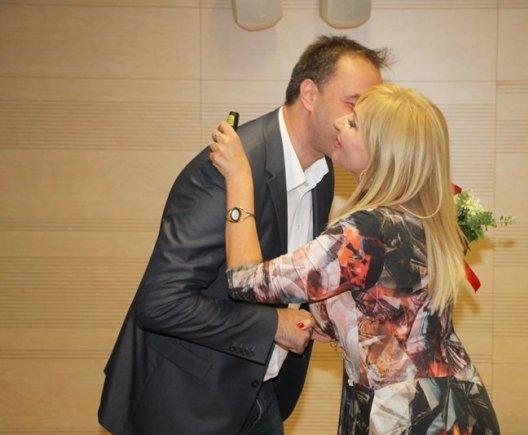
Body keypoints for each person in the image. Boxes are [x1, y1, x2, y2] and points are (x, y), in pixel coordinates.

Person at [98, 35, 389, 435]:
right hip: (186, 404)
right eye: (354, 104)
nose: (363, 122)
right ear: (309, 94)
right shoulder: (226, 169)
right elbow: (161, 302)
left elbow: (286, 280)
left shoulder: (323, 174)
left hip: (260, 396)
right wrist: (274, 326)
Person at [209, 83, 501, 434]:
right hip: (457, 407)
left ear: (383, 151)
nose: (339, 123)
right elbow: (389, 318)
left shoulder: (365, 234)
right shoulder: (423, 217)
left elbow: (244, 280)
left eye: (354, 123)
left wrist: (239, 179)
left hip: (403, 417)